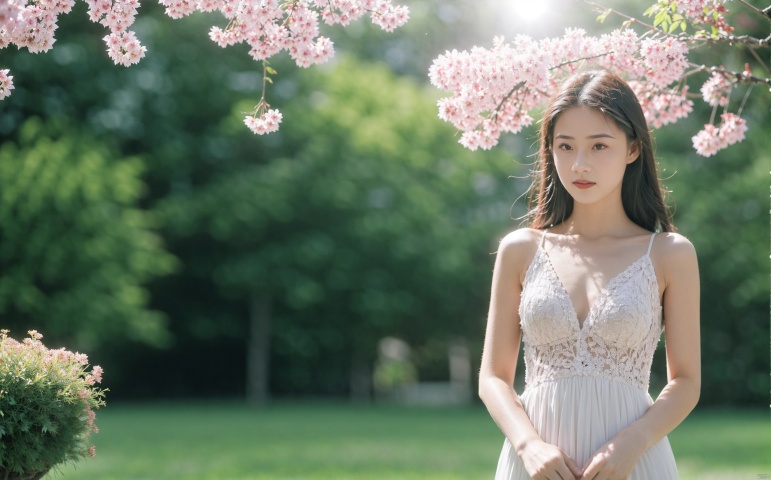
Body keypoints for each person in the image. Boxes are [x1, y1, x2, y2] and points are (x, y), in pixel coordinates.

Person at [479, 69, 701, 480]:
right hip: (536, 465)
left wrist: (633, 443)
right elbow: (493, 377)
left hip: (633, 462)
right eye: (566, 146)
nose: (580, 164)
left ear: (633, 148)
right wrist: (527, 445)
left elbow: (686, 381)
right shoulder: (520, 249)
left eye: (599, 145)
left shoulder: (670, 253)